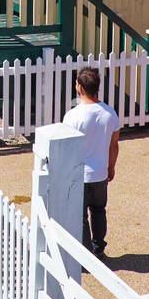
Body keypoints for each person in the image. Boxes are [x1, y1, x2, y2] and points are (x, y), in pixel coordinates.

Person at [62, 67, 121, 260]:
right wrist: (111, 167)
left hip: (79, 174)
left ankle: (86, 254)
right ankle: (98, 248)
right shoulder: (110, 114)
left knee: (80, 217)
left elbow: (67, 149)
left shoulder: (72, 116)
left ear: (79, 87)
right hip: (100, 173)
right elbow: (114, 146)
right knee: (99, 211)